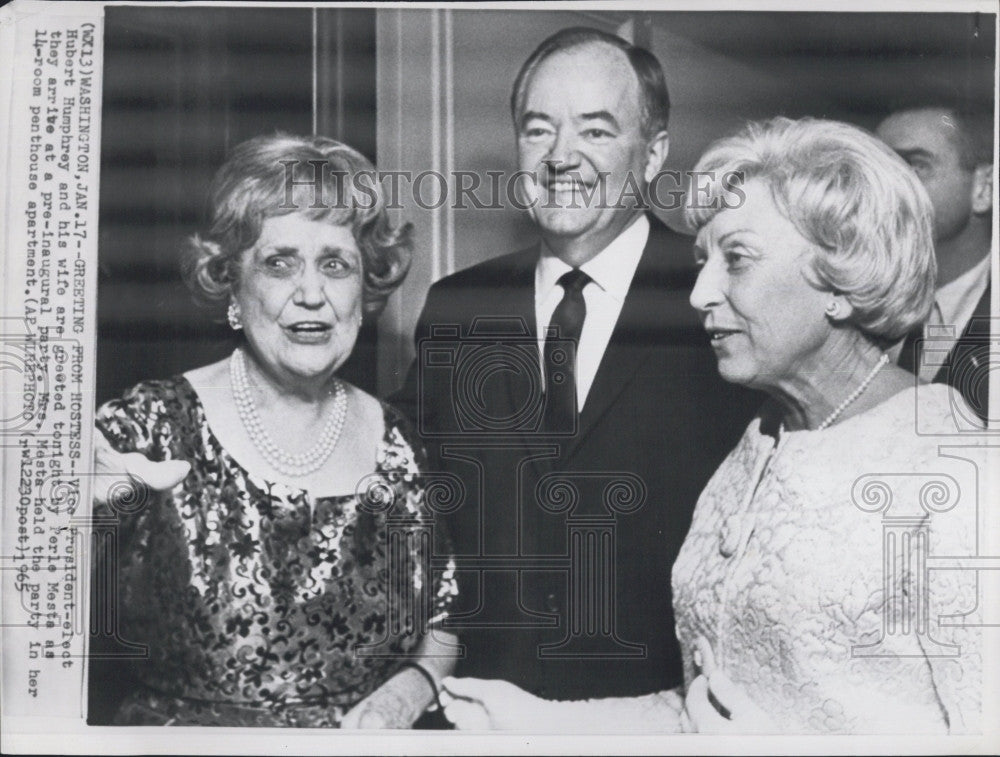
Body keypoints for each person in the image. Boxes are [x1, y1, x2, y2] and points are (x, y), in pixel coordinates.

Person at [444, 117, 984, 733]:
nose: (701, 291)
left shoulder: (956, 474)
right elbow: (701, 710)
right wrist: (536, 720)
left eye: (737, 260)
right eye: (704, 260)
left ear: (843, 279)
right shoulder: (755, 449)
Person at [393, 27, 757, 716]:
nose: (561, 157)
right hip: (481, 714)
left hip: (666, 714)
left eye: (595, 131)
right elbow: (398, 475)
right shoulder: (457, 306)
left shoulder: (717, 297)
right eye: (539, 131)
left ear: (652, 155)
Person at [92, 134, 459, 727]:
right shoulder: (148, 428)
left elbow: (444, 618)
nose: (311, 294)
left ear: (364, 292)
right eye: (279, 263)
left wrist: (407, 692)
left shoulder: (400, 445)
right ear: (231, 284)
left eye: (335, 265)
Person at [876, 99, 994, 423]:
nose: (885, 189)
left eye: (915, 167)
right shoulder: (854, 307)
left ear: (985, 188)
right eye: (877, 169)